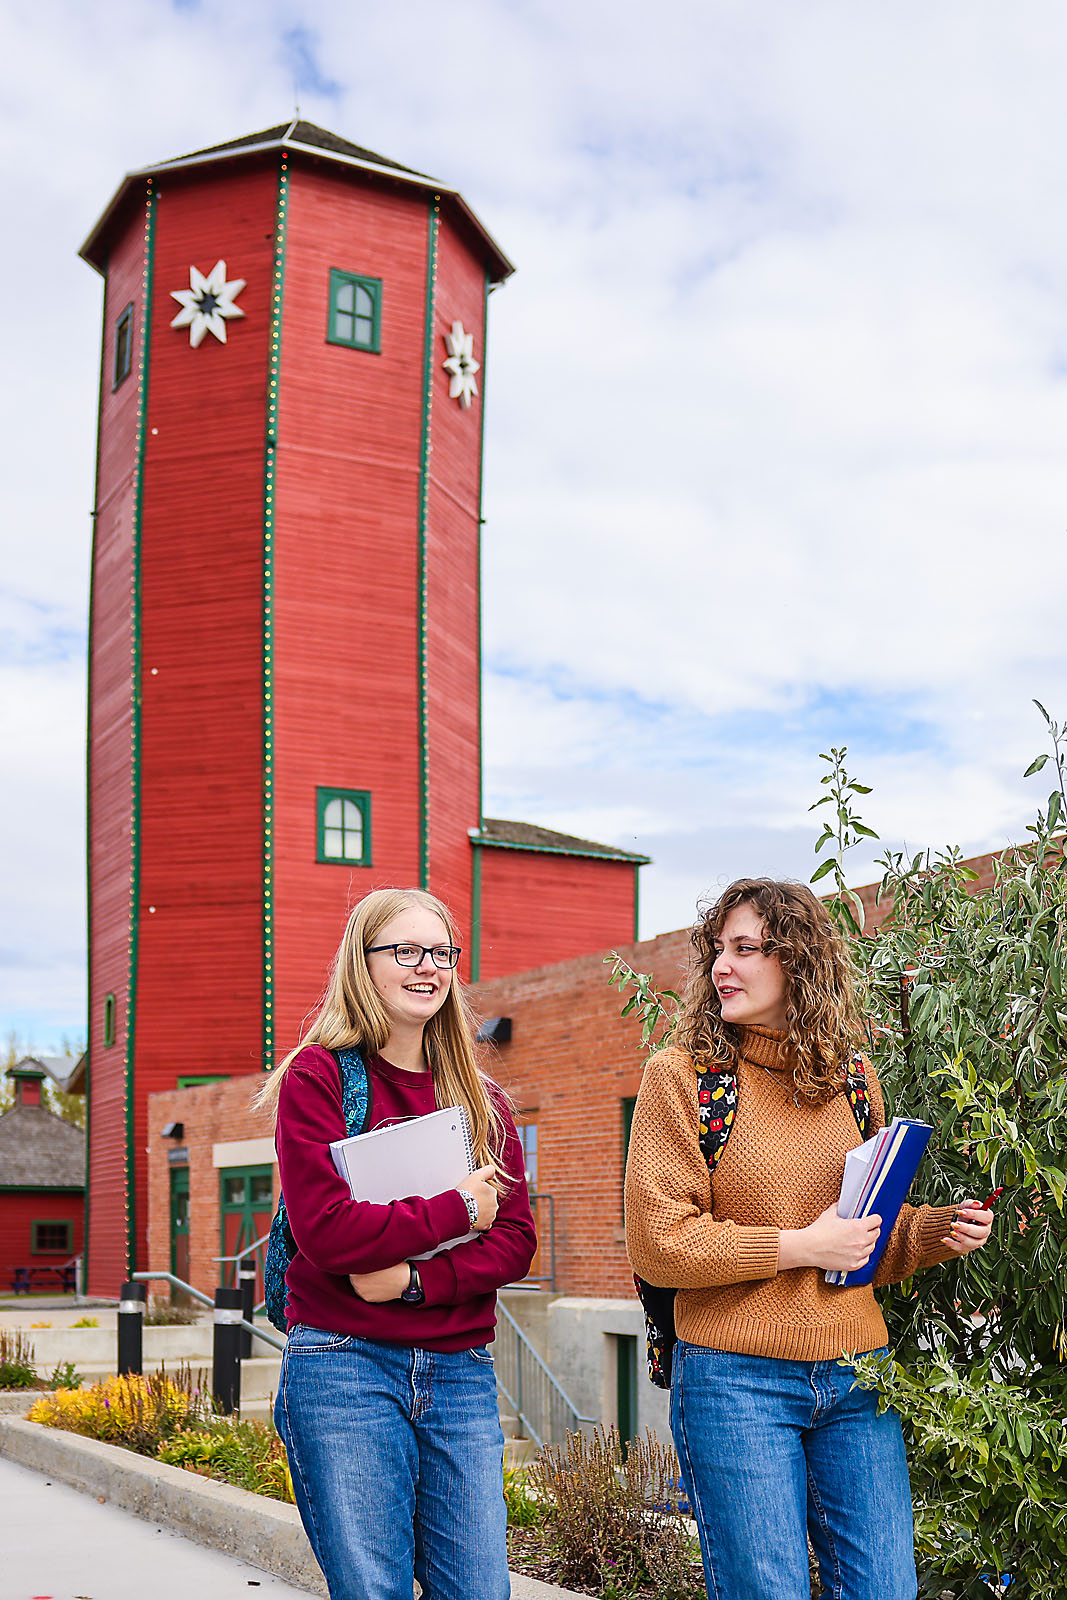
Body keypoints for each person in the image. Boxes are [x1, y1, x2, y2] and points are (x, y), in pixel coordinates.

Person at [624, 878, 993, 1600]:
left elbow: (860, 1241)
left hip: (858, 1375)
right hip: (735, 1380)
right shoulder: (684, 1078)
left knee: (884, 1589)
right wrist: (798, 1247)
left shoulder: (852, 1079)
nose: (721, 967)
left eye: (746, 949)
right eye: (717, 951)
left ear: (799, 961)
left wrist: (935, 1230)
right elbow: (659, 1242)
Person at [256, 887, 536, 1600]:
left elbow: (513, 1242)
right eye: (405, 951)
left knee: (478, 1590)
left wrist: (412, 1280)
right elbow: (328, 1232)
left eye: (441, 953)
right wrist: (455, 1208)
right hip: (344, 1367)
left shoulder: (482, 1100)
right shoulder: (319, 1077)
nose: (427, 968)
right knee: (370, 1589)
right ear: (364, 962)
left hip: (459, 1371)